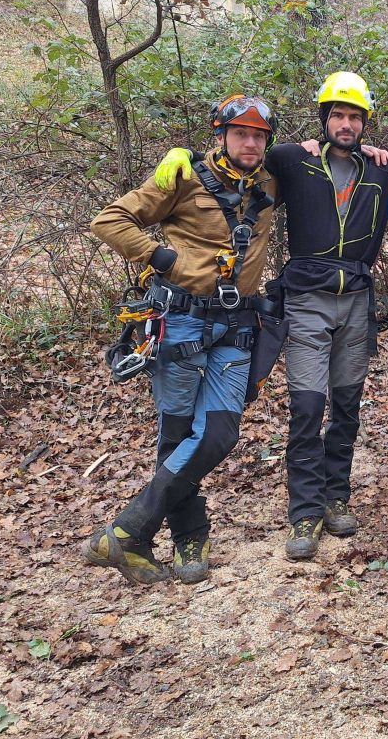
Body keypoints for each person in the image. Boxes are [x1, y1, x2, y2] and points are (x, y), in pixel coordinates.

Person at [154, 73, 388, 561]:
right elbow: (234, 160)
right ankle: (305, 510)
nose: (345, 124)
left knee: (346, 405)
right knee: (306, 407)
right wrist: (181, 157)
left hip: (357, 301)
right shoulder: (292, 159)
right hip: (304, 300)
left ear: (364, 123)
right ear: (324, 119)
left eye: (354, 117)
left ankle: (336, 495)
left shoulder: (383, 170)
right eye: (337, 115)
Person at [85, 95, 279, 585]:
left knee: (217, 433)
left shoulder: (272, 181)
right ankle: (189, 534)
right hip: (181, 322)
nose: (250, 143)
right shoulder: (183, 177)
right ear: (222, 136)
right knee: (176, 435)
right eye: (241, 134)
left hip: (236, 327)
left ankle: (127, 532)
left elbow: (316, 159)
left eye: (259, 135)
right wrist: (159, 257)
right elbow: (108, 220)